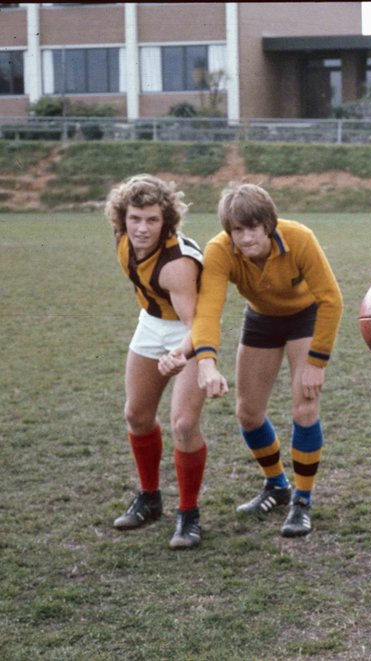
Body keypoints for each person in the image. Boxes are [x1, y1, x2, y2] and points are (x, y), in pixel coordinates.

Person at [173, 183, 344, 538]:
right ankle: (277, 486)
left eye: (253, 227)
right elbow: (209, 310)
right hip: (261, 320)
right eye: (237, 229)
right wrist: (206, 362)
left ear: (268, 224)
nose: (246, 237)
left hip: (305, 318)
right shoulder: (220, 250)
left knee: (305, 409)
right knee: (248, 413)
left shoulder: (299, 238)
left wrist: (317, 362)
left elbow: (331, 300)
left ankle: (302, 501)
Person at [106, 174, 208, 549]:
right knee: (136, 415)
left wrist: (179, 354)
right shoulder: (123, 240)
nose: (142, 228)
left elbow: (197, 325)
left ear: (166, 220)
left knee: (184, 423)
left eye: (152, 219)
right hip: (151, 324)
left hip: (191, 332)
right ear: (122, 217)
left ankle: (189, 514)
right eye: (135, 218)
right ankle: (149, 498)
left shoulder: (177, 263)